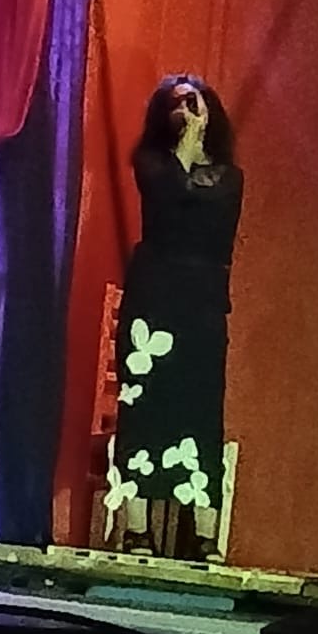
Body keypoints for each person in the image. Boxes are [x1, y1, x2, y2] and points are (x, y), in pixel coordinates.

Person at [107, 74, 244, 561]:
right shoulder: (149, 163)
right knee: (144, 407)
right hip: (153, 301)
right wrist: (184, 149)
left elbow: (210, 225)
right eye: (176, 104)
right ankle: (137, 530)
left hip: (201, 305)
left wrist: (195, 153)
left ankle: (204, 537)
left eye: (193, 103)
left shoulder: (229, 177)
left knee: (199, 411)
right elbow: (167, 201)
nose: (185, 111)